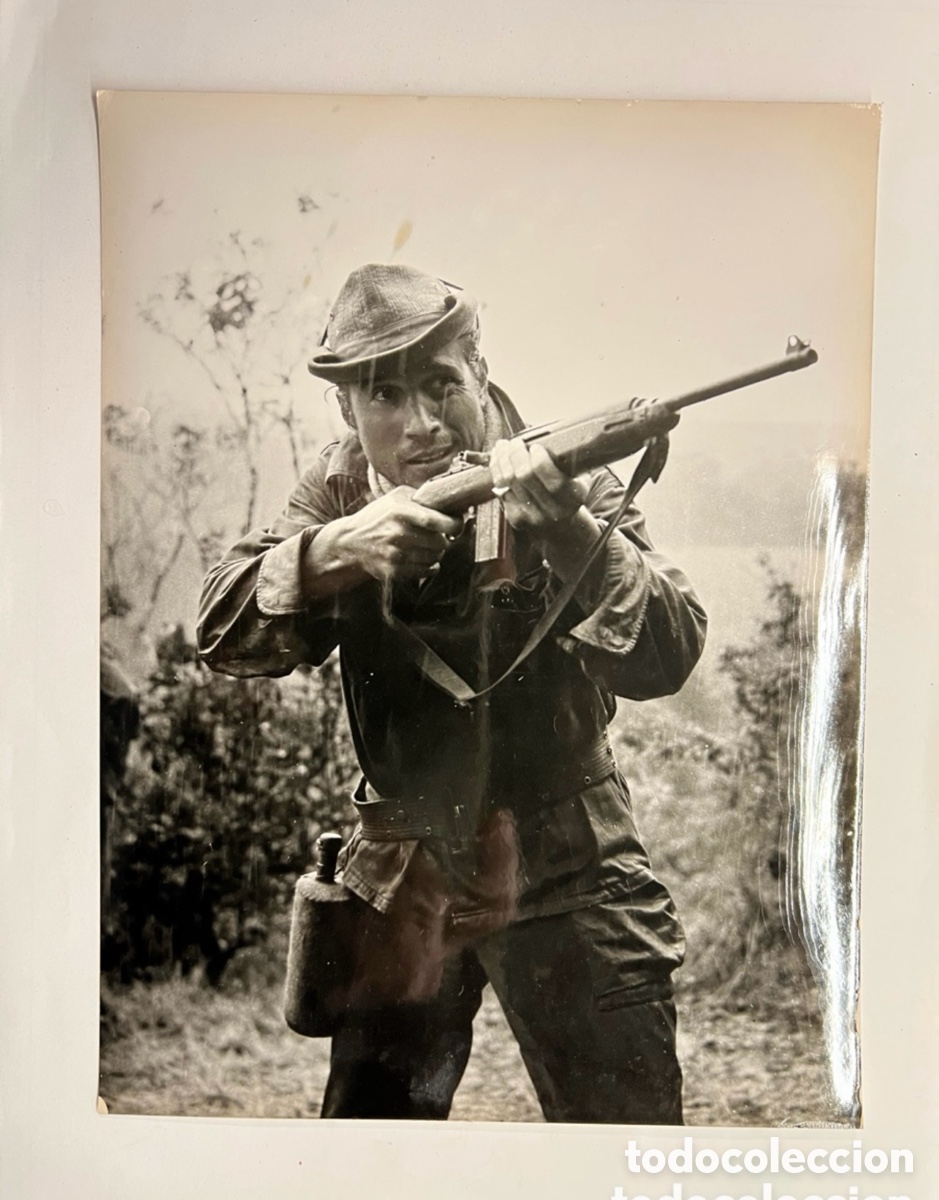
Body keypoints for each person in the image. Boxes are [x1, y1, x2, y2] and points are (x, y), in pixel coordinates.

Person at [197, 263, 707, 1123]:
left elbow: (667, 651)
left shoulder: (565, 467)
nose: (421, 425)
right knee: (371, 1146)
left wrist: (568, 528)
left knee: (621, 1137)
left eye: (441, 385)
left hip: (570, 852)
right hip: (407, 866)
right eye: (384, 398)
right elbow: (220, 627)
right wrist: (335, 554)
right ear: (347, 412)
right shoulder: (339, 488)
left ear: (478, 367)